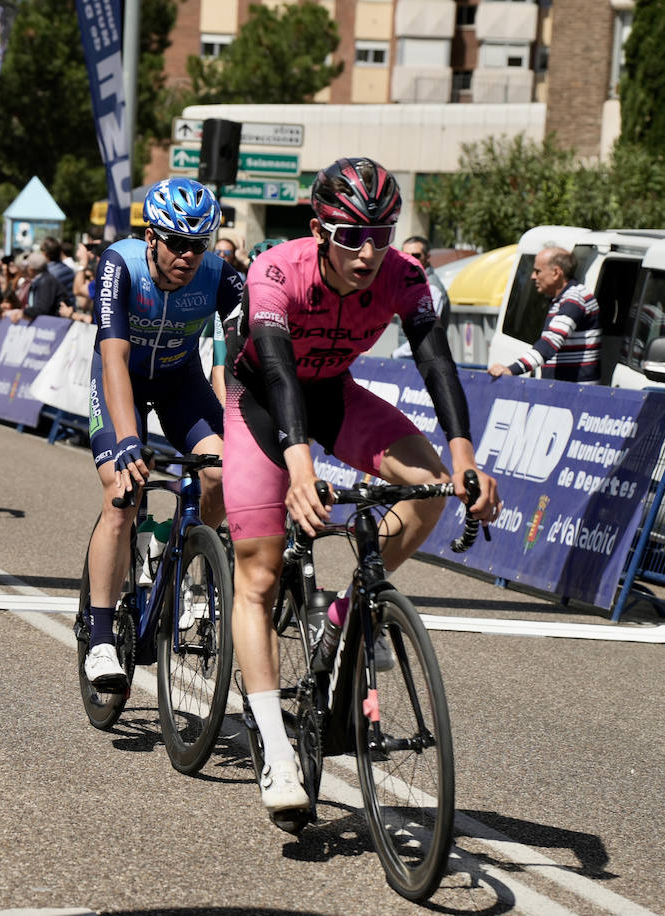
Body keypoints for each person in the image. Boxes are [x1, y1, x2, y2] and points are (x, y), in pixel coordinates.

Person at [222, 157, 500, 818]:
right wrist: (300, 472)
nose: (368, 251)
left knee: (431, 487)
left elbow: (437, 363)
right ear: (320, 229)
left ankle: (345, 618)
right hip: (264, 404)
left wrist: (464, 461)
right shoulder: (276, 272)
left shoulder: (405, 276)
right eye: (350, 236)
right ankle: (277, 752)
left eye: (381, 232)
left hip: (338, 397)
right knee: (257, 577)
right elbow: (281, 375)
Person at [81, 177, 244, 688]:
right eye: (177, 242)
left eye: (198, 245)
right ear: (151, 236)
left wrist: (241, 423)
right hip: (119, 382)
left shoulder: (219, 276)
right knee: (123, 493)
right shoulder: (120, 265)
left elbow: (239, 360)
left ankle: (187, 552)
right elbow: (114, 357)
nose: (188, 256)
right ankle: (102, 635)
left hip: (180, 386)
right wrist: (129, 439)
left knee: (222, 472)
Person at [488, 246, 600, 384]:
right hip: (565, 388)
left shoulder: (574, 299)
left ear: (556, 273)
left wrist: (512, 369)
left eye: (537, 271)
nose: (533, 276)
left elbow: (550, 342)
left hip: (576, 392)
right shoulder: (563, 299)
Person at [392, 236, 451, 359]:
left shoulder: (432, 288)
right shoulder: (411, 283)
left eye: (416, 255)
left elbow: (426, 335)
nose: (410, 259)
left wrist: (397, 355)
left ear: (427, 257)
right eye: (405, 255)